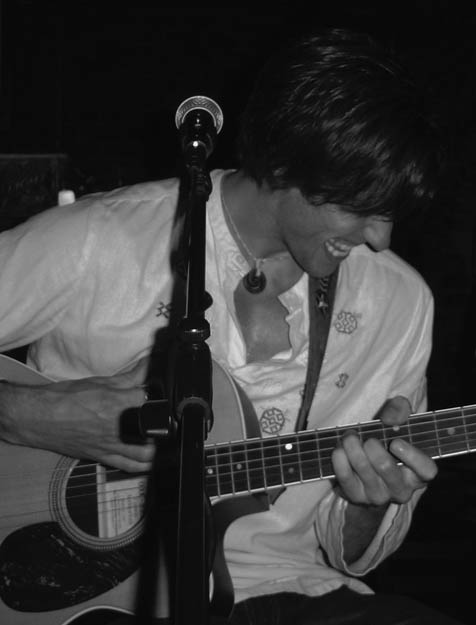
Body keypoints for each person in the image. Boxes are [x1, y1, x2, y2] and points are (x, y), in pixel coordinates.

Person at [0, 27, 464, 625]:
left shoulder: (400, 302)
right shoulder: (102, 239)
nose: (380, 238)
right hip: (92, 599)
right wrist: (25, 413)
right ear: (285, 162)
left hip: (290, 587)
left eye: (390, 213)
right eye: (360, 207)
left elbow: (350, 551)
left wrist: (369, 501)